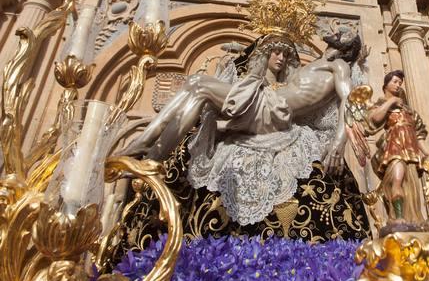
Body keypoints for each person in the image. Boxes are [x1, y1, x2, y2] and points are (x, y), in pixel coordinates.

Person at [125, 30, 363, 225]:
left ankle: (149, 146)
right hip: (266, 99)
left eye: (346, 33)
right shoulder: (313, 65)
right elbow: (277, 76)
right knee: (197, 88)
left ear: (348, 47)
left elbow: (349, 99)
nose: (338, 30)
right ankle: (152, 154)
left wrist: (339, 142)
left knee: (198, 85)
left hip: (273, 110)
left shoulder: (339, 66)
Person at [367, 69, 429, 222]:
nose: (398, 85)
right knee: (396, 179)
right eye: (395, 82)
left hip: (410, 151)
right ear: (386, 85)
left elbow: (418, 132)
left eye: (400, 83)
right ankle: (398, 217)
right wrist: (391, 101)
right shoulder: (381, 104)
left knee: (411, 186)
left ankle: (412, 218)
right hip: (394, 148)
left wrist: (427, 152)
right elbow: (375, 118)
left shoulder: (408, 110)